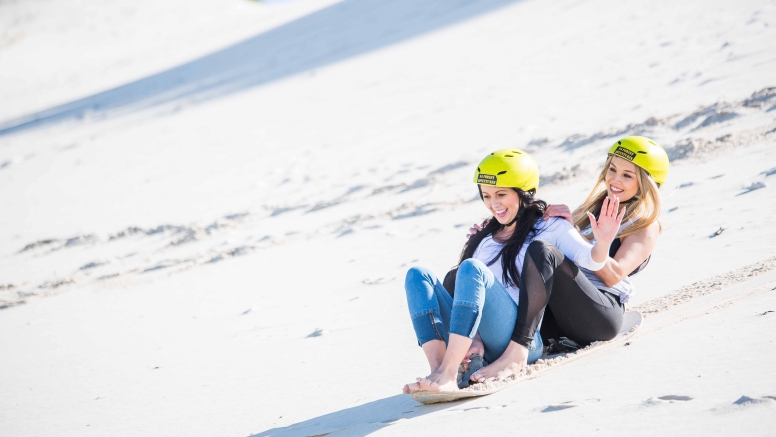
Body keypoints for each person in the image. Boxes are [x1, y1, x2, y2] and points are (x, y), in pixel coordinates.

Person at [402, 148, 627, 394]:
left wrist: (603, 242)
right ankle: (442, 368)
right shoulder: (484, 238)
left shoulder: (550, 225)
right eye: (486, 195)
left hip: (519, 338)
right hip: (478, 341)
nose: (493, 204)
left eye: (501, 194)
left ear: (524, 193)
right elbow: (469, 296)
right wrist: (474, 336)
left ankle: (450, 372)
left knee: (471, 268)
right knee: (417, 275)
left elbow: (590, 260)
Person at [467, 136, 669, 353]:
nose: (614, 180)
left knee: (543, 252)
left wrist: (575, 232)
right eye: (612, 170)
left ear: (647, 182)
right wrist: (498, 233)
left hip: (598, 315)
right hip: (561, 314)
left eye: (627, 175)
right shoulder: (592, 208)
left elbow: (614, 275)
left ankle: (517, 349)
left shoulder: (646, 225)